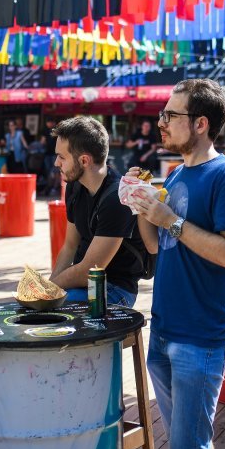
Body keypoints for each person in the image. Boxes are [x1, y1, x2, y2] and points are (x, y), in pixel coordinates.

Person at [128, 79, 225, 449]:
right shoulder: (178, 174)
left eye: (171, 115)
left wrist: (172, 220)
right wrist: (141, 205)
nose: (161, 122)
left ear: (200, 123)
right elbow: (155, 245)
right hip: (164, 330)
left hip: (201, 337)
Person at [48, 117, 145, 307]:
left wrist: (49, 290)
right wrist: (48, 290)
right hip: (81, 283)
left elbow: (88, 271)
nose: (56, 163)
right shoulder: (74, 186)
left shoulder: (117, 198)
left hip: (115, 287)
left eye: (62, 157)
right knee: (40, 311)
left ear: (84, 160)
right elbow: (70, 246)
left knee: (60, 312)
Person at [41, 118, 59, 195]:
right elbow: (43, 141)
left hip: (53, 154)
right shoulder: (53, 131)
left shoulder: (56, 131)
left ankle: (53, 188)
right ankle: (52, 188)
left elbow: (42, 142)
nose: (49, 124)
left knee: (53, 172)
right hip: (50, 154)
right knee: (52, 172)